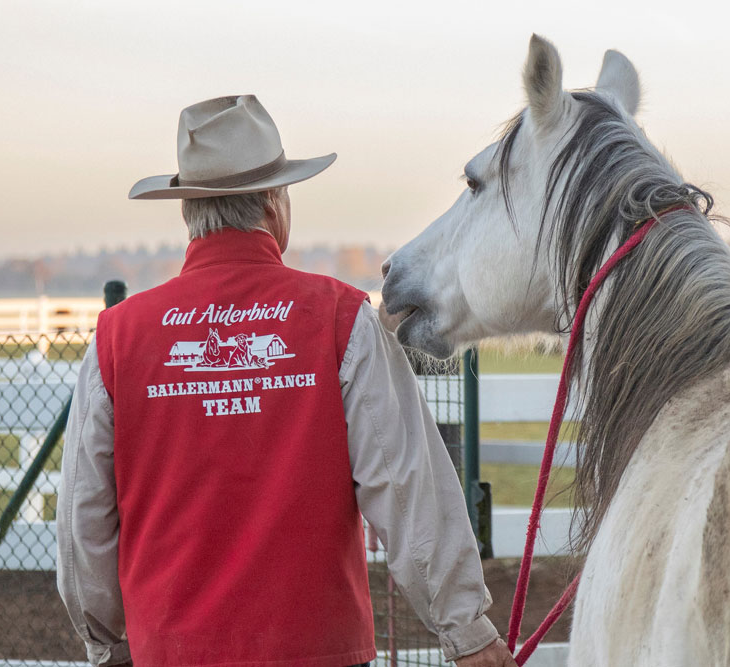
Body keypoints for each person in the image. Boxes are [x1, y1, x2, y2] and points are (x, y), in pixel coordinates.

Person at [56, 95, 516, 667]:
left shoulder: (118, 339)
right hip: (318, 651)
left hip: (170, 652)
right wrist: (465, 628)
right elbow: (406, 487)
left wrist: (108, 642)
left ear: (186, 212)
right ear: (275, 202)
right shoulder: (339, 319)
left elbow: (84, 521)